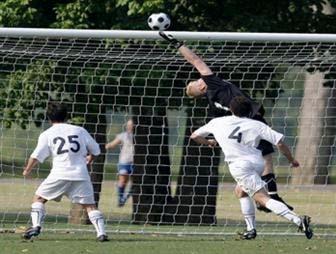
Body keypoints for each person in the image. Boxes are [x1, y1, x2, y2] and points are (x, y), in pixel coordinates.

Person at [159, 31, 292, 212]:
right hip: (251, 120)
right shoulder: (212, 84)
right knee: (267, 157)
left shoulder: (213, 98)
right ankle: (270, 198)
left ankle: (267, 198)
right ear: (201, 86)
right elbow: (195, 61)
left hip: (242, 124)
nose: (200, 77)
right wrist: (179, 45)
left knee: (262, 161)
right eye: (197, 80)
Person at [190, 96, 313, 240]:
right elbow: (279, 142)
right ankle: (251, 230)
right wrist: (291, 160)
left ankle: (298, 220)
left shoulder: (217, 122)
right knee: (240, 191)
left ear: (230, 109)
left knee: (262, 198)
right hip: (257, 162)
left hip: (240, 166)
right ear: (249, 111)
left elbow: (194, 136)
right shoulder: (256, 124)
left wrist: (209, 142)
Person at [22, 103, 108, 242]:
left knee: (39, 199)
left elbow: (37, 155)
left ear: (49, 118)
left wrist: (27, 169)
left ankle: (36, 226)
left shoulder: (47, 134)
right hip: (80, 174)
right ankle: (101, 234)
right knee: (90, 206)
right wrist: (90, 158)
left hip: (59, 174)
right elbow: (96, 149)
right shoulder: (80, 130)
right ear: (67, 116)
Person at [105, 119, 134, 207]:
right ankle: (120, 199)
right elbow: (112, 144)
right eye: (128, 125)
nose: (129, 127)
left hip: (136, 162)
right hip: (124, 161)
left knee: (135, 183)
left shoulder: (140, 136)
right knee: (123, 180)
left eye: (131, 125)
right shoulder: (123, 136)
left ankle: (125, 197)